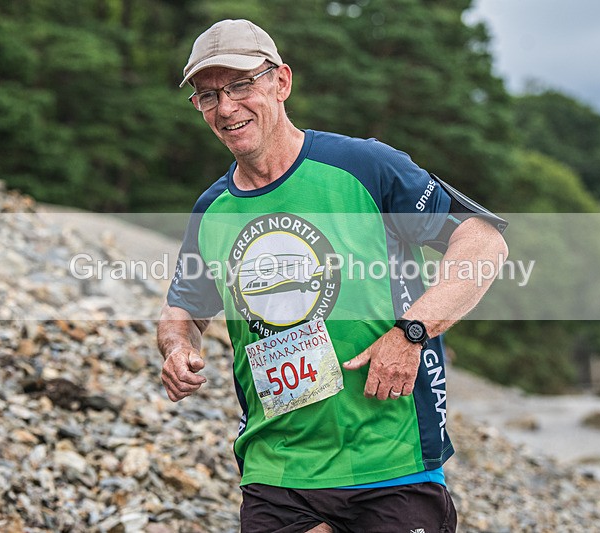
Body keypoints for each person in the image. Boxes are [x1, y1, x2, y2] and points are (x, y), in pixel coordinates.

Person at [157, 19, 508, 532]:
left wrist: (413, 331)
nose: (225, 107)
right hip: (277, 469)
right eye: (208, 95)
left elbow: (484, 239)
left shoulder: (364, 166)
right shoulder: (211, 210)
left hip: (392, 461)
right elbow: (184, 307)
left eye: (240, 85)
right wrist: (176, 347)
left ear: (281, 82)